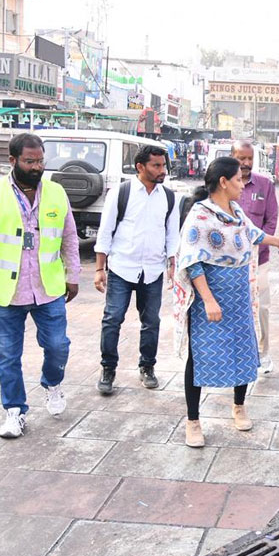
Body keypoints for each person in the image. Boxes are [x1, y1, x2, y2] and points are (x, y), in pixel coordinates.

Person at [0, 132, 81, 439]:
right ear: (12, 161)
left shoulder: (55, 193)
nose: (37, 166)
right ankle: (14, 411)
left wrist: (73, 275)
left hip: (48, 287)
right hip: (6, 292)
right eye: (29, 161)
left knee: (57, 346)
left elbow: (69, 236)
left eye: (40, 160)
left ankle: (52, 383)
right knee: (6, 355)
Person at [173, 157, 279, 448]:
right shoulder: (200, 217)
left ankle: (239, 406)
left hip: (239, 298)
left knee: (243, 351)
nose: (243, 184)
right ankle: (193, 421)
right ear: (224, 182)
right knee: (200, 358)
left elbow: (252, 233)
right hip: (210, 303)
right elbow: (192, 262)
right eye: (238, 180)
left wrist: (278, 242)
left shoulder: (236, 211)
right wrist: (209, 300)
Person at [94, 145, 180, 394]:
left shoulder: (169, 197)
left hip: (153, 271)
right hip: (122, 268)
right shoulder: (121, 193)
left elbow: (172, 235)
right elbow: (105, 231)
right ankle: (108, 369)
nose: (162, 170)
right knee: (112, 320)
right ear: (140, 167)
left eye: (163, 165)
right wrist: (100, 268)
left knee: (151, 321)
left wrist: (173, 265)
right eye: (156, 165)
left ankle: (147, 367)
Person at [232, 141, 279, 374]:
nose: (246, 163)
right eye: (241, 158)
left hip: (259, 259)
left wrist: (257, 246)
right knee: (231, 306)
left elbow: (271, 221)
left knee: (261, 308)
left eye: (250, 159)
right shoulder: (223, 185)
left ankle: (263, 353)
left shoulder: (265, 185)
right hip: (229, 263)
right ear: (232, 157)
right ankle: (234, 352)